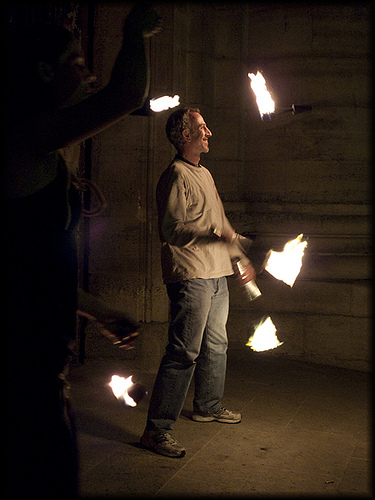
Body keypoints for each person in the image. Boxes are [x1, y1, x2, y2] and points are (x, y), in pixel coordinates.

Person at [4, 5, 161, 496]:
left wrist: (98, 313)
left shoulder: (43, 147)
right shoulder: (22, 137)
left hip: (43, 363)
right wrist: (134, 29)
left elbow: (35, 266)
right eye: (75, 59)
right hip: (17, 367)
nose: (87, 70)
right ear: (43, 72)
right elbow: (126, 93)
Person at [140, 107, 256, 458]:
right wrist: (212, 235)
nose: (209, 133)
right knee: (184, 352)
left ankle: (208, 405)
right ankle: (157, 429)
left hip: (216, 273)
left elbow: (222, 224)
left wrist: (240, 258)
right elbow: (171, 229)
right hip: (190, 275)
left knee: (217, 344)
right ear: (184, 135)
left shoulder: (204, 173)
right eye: (202, 128)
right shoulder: (176, 174)